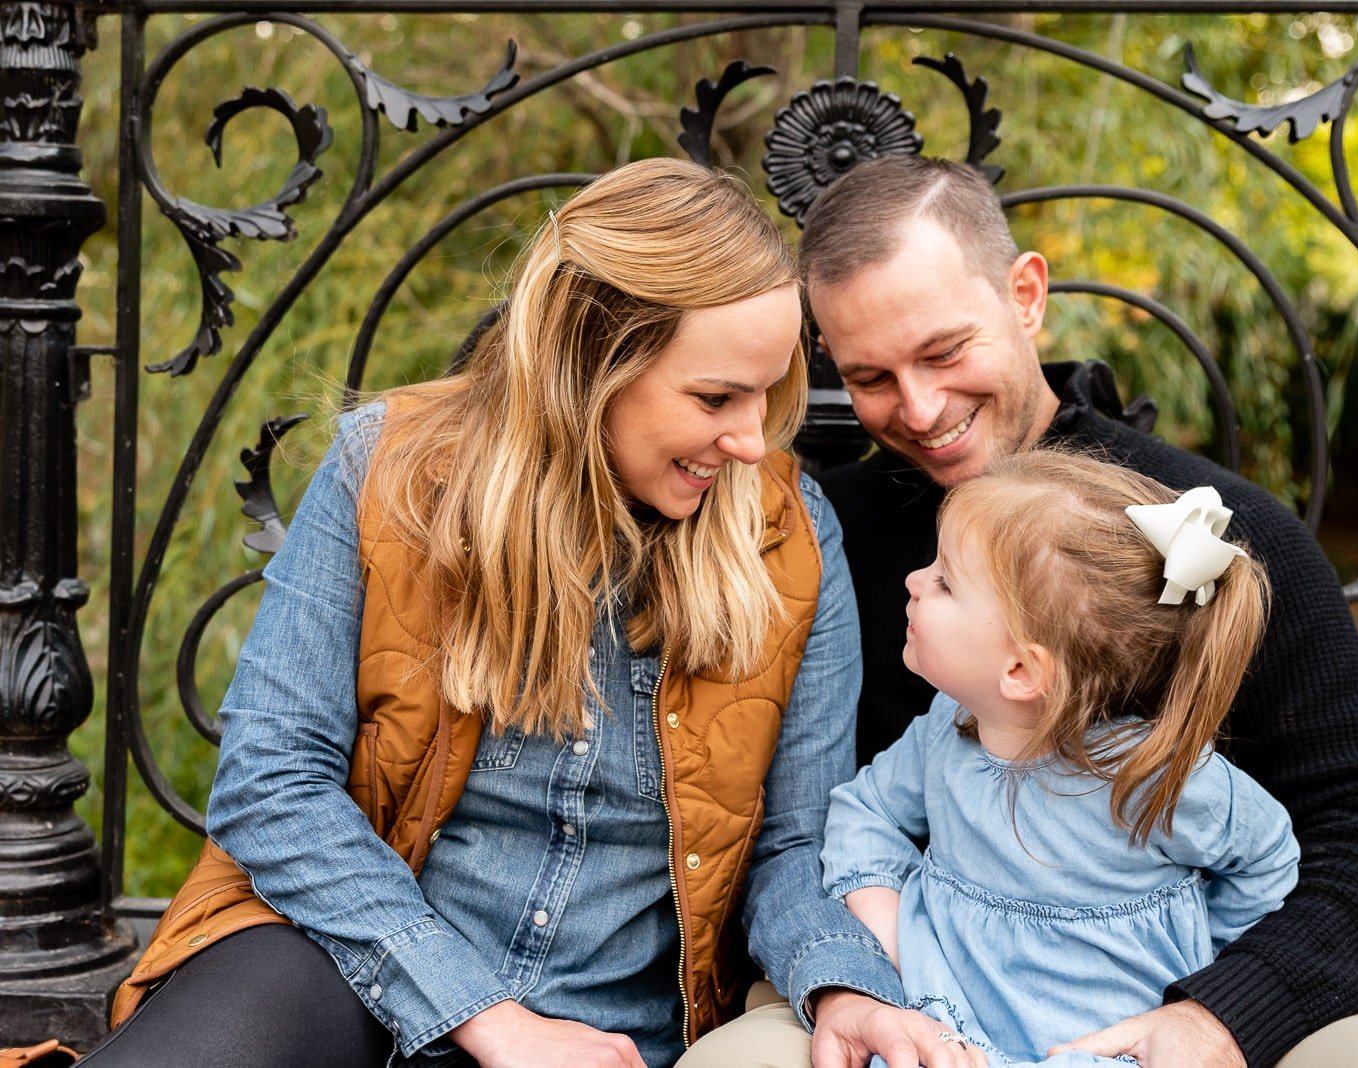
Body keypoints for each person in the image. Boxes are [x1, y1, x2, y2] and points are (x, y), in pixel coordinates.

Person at [84, 158, 967, 1068]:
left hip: (608, 1044)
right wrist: (488, 1020)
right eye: (714, 398)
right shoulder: (388, 471)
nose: (750, 439)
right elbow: (272, 784)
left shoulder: (790, 539)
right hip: (349, 979)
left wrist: (843, 981)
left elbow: (791, 848)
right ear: (590, 362)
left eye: (765, 393)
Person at [801, 154, 1358, 1068]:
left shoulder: (1209, 531)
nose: (919, 409)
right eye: (870, 377)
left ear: (1027, 294)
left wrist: (1221, 1013)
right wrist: (856, 970)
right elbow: (801, 821)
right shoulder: (830, 530)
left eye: (944, 351)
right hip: (917, 1002)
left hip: (1168, 1002)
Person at [821, 449, 1301, 1067]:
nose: (914, 581)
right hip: (948, 1026)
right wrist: (887, 928)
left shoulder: (1155, 774)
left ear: (1022, 670)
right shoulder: (949, 725)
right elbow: (869, 811)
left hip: (1102, 1043)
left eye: (944, 581)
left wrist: (1211, 960)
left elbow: (1265, 858)